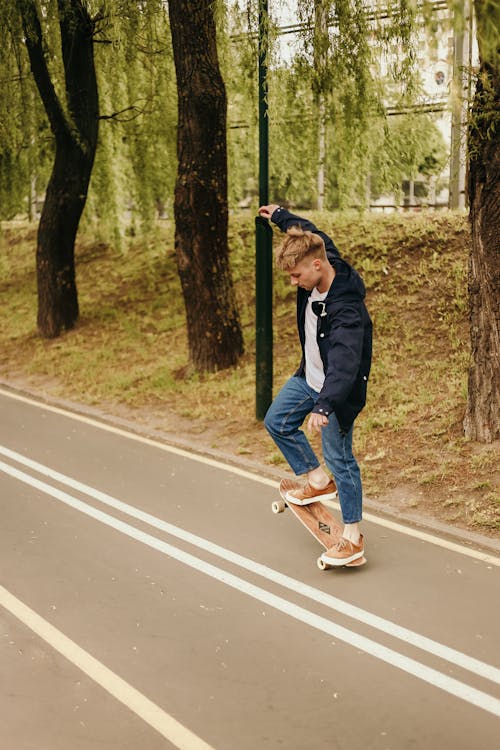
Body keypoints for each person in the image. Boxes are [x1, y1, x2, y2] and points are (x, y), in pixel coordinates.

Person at [258, 204, 372, 567]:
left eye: (296, 276)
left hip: (335, 392)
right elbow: (307, 231)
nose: (295, 283)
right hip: (309, 376)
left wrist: (325, 406)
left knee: (341, 459)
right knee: (277, 421)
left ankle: (353, 537)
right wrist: (281, 216)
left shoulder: (346, 308)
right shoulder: (319, 252)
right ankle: (317, 478)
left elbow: (345, 363)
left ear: (317, 266)